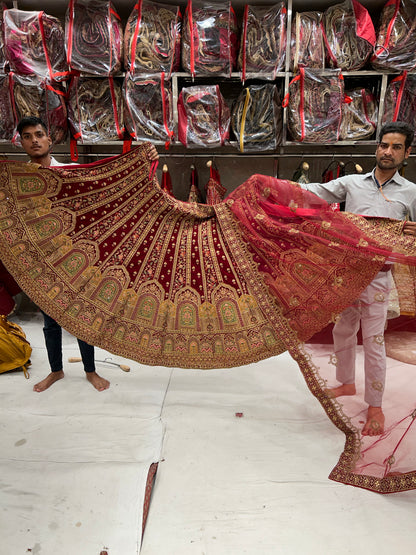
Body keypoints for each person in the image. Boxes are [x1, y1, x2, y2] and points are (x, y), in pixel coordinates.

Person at [17, 116, 159, 392]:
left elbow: (107, 185)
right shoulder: (17, 180)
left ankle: (90, 371)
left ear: (49, 139)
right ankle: (56, 371)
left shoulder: (70, 172)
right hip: (39, 262)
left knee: (82, 317)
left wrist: (145, 158)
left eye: (39, 134)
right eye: (27, 136)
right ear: (21, 143)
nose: (34, 140)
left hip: (73, 259)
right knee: (50, 322)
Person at [301, 121, 416, 437]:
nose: (387, 152)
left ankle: (375, 405)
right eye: (384, 145)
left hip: (379, 279)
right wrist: (272, 186)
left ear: (407, 153)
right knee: (343, 329)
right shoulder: (352, 184)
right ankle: (347, 382)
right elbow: (315, 192)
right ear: (376, 148)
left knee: (375, 340)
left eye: (396, 147)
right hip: (347, 274)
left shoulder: (411, 193)